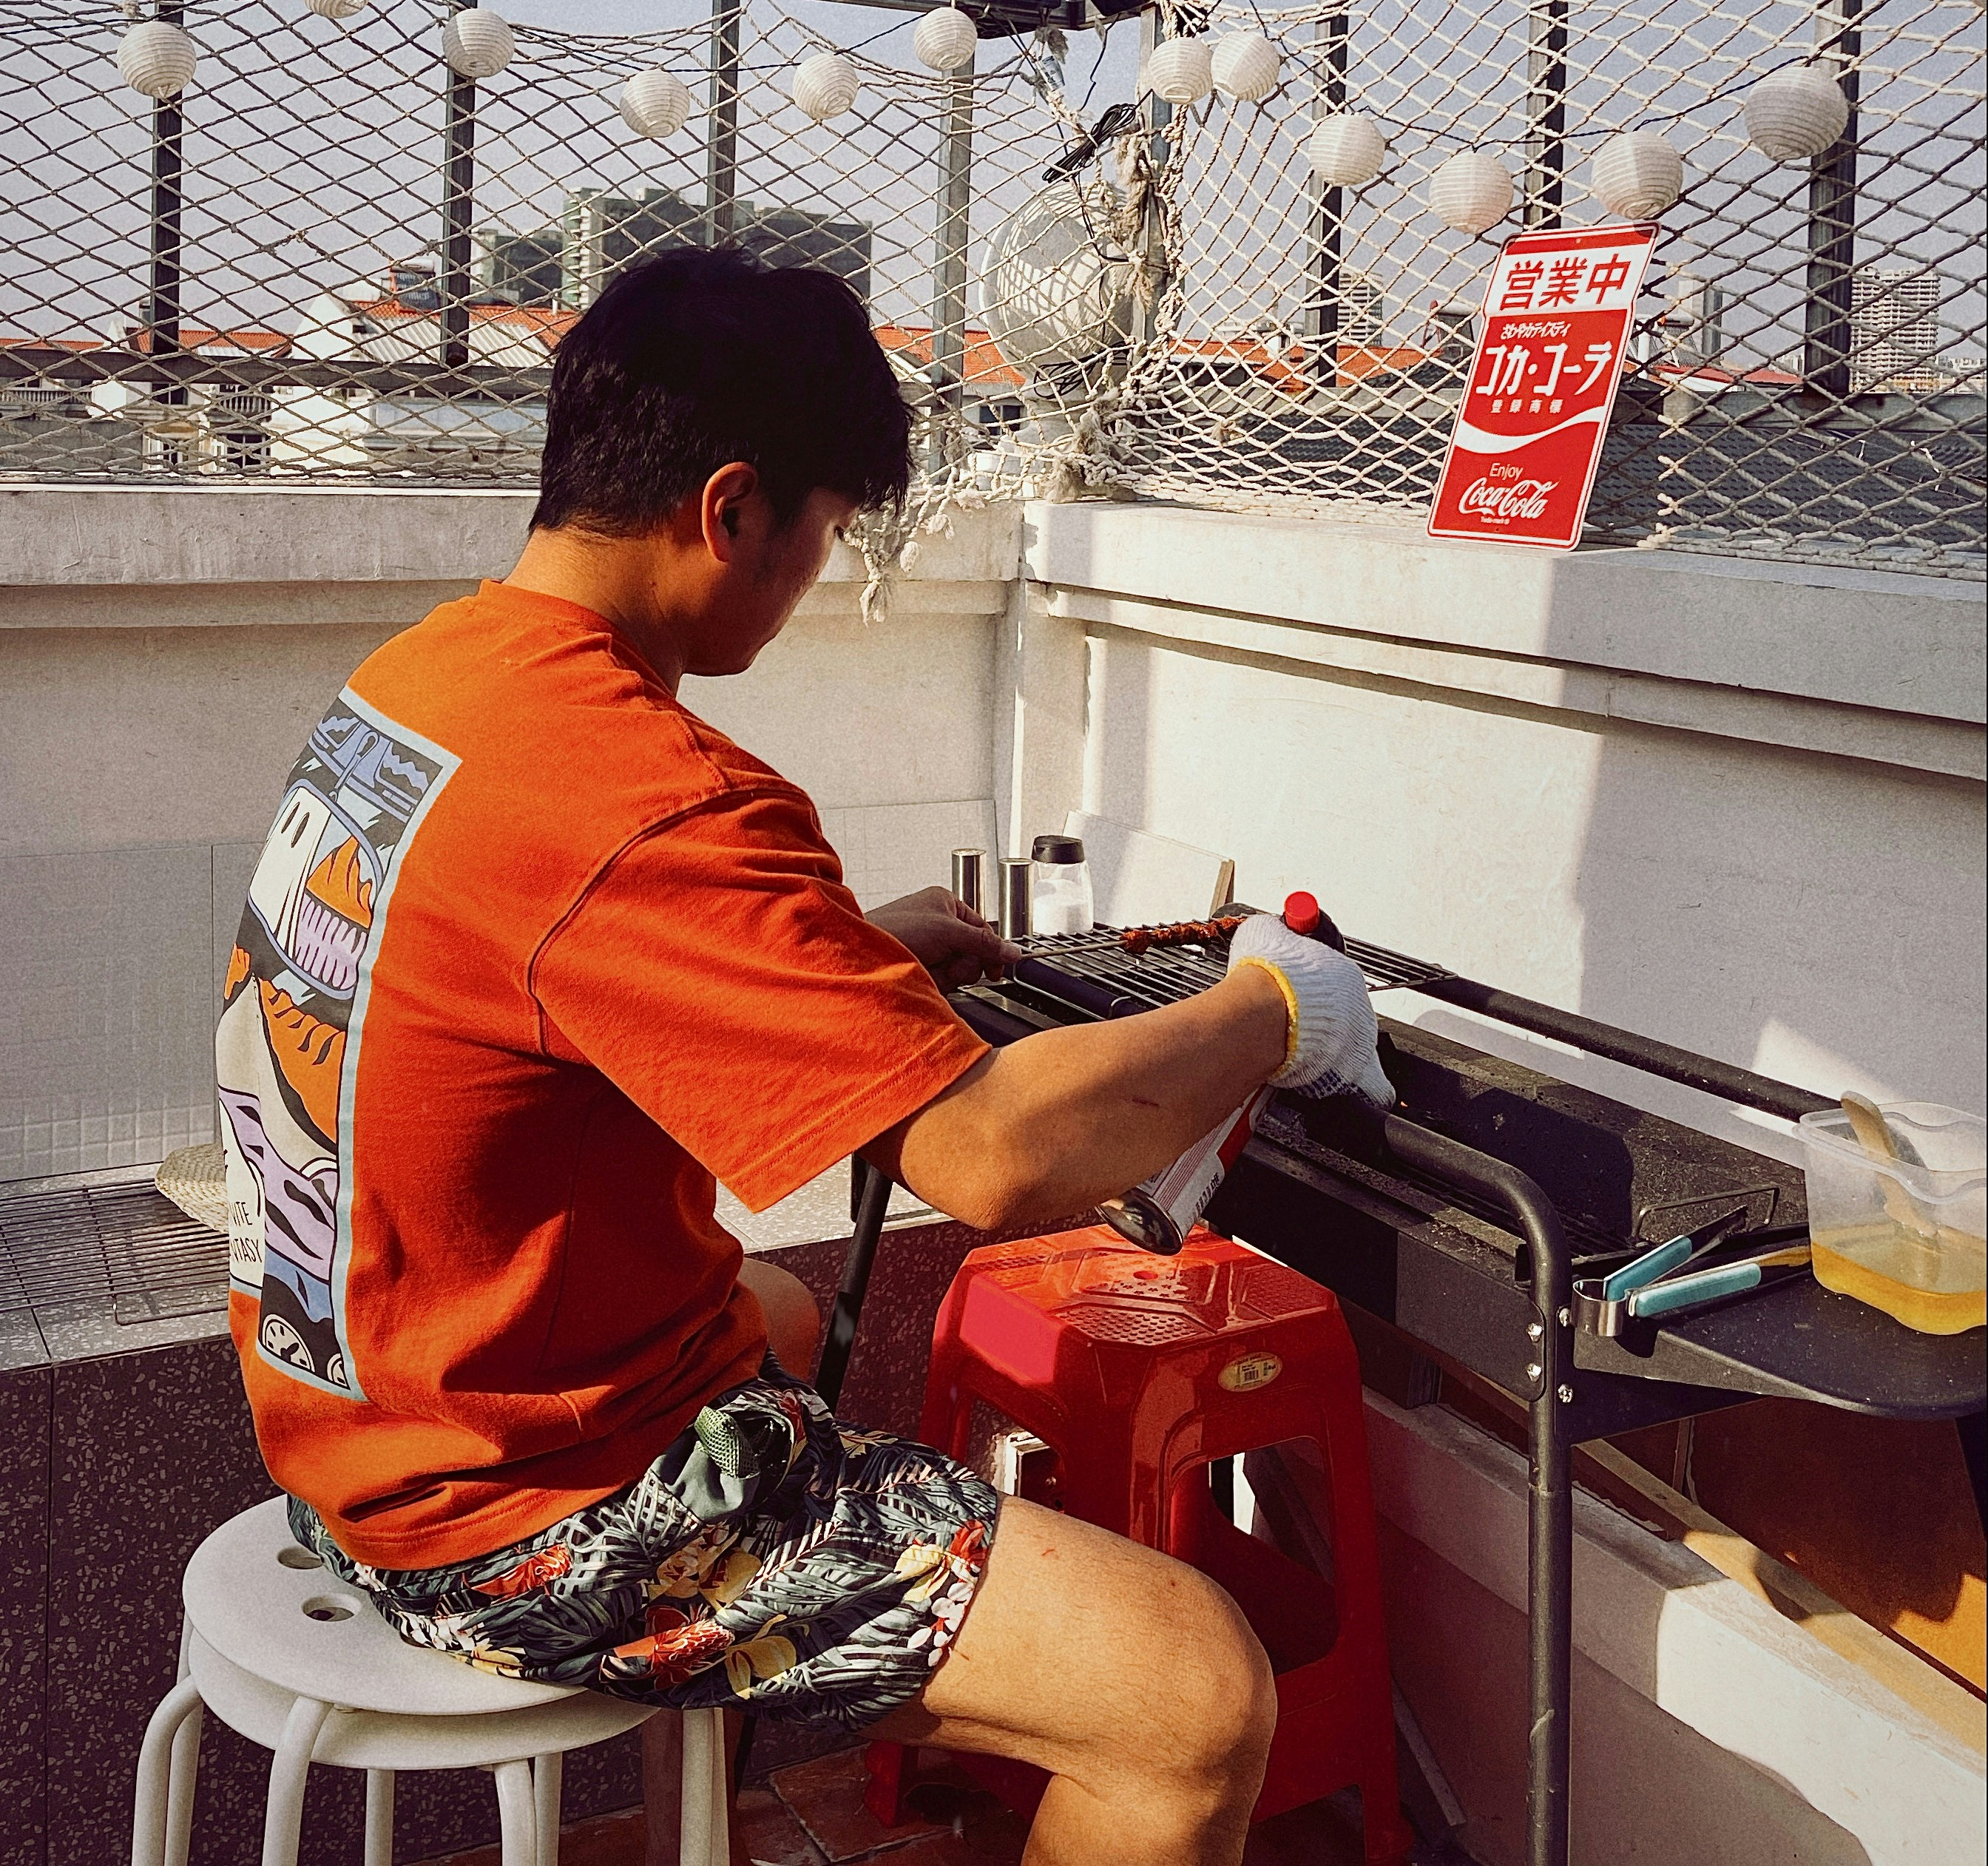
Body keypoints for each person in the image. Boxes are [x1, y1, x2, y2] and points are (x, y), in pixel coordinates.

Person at [217, 247, 1390, 1866]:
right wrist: (1279, 1008)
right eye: (827, 532)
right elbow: (991, 1159)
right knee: (1192, 1694)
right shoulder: (653, 797)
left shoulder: (423, 685)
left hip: (344, 1401)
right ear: (731, 511)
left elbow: (537, 975)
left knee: (769, 1308)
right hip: (502, 1511)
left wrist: (851, 959)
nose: (814, 572)